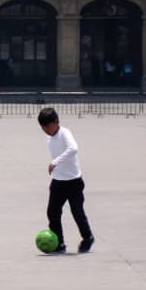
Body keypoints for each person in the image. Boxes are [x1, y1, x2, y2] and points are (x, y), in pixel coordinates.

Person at [38, 106, 95, 254]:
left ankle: (87, 237)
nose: (46, 131)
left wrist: (55, 162)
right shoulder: (49, 136)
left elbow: (73, 149)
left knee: (77, 211)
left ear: (57, 121)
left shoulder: (65, 133)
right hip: (58, 181)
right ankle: (59, 243)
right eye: (43, 128)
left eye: (48, 127)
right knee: (53, 212)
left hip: (73, 181)